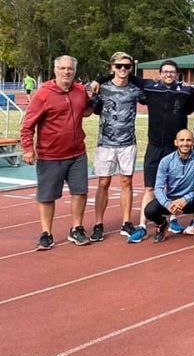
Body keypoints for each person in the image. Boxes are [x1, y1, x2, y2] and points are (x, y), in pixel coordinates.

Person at [21, 55, 95, 250]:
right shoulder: (43, 94)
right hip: (50, 155)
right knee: (47, 196)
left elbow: (86, 110)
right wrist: (28, 149)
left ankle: (77, 229)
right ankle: (46, 233)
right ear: (55, 70)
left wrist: (95, 97)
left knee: (80, 192)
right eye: (62, 68)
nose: (66, 72)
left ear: (74, 71)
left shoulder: (80, 90)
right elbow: (28, 124)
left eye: (70, 69)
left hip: (77, 152)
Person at [116, 60, 194, 241]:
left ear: (177, 74)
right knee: (150, 186)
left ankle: (173, 218)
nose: (168, 75)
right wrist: (99, 80)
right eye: (165, 72)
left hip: (175, 148)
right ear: (159, 74)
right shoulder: (151, 87)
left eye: (172, 72)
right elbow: (126, 75)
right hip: (155, 147)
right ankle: (143, 225)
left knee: (174, 186)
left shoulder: (186, 92)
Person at [92, 52, 145, 241]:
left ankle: (126, 222)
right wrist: (98, 81)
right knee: (103, 183)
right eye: (119, 66)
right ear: (112, 67)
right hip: (105, 143)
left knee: (126, 182)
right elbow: (90, 107)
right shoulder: (102, 88)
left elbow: (150, 92)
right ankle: (98, 223)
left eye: (127, 66)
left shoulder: (136, 90)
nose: (123, 69)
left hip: (127, 143)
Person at [137, 129, 194, 243]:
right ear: (176, 142)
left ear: (193, 142)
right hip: (172, 200)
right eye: (181, 140)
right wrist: (167, 204)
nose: (185, 143)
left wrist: (186, 199)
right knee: (149, 210)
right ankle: (162, 224)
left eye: (188, 140)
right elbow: (158, 188)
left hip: (191, 200)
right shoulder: (166, 161)